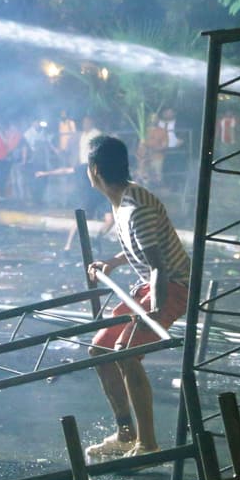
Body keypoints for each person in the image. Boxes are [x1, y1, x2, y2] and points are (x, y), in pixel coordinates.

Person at [83, 135, 192, 460]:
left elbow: (158, 266)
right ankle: (125, 433)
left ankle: (148, 443)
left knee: (126, 353)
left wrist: (155, 312)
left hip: (172, 284)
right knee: (100, 350)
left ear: (94, 170)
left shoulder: (135, 209)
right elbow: (143, 246)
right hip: (150, 283)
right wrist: (114, 263)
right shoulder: (124, 198)